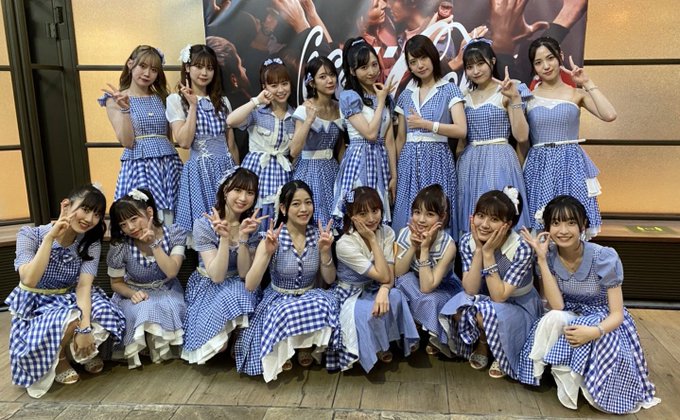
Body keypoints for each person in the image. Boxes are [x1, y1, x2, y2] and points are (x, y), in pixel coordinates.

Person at [518, 195, 660, 414]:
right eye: (556, 223)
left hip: (605, 321)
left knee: (587, 332)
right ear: (547, 228)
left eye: (570, 223)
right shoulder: (550, 256)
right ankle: (549, 378)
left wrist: (594, 331)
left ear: (583, 225)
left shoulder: (603, 257)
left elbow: (617, 314)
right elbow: (557, 306)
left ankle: (592, 388)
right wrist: (542, 260)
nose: (563, 230)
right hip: (572, 313)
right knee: (552, 318)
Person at [5, 185, 125, 398]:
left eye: (96, 214)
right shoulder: (30, 235)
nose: (90, 219)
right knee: (69, 318)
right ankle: (60, 358)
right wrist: (50, 238)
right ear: (66, 206)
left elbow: (84, 286)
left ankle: (78, 352)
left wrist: (85, 329)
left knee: (104, 311)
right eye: (85, 209)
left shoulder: (90, 242)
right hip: (37, 301)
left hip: (70, 294)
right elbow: (29, 279)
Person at [235, 180, 339, 381]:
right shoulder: (272, 237)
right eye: (296, 204)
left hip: (309, 294)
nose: (304, 209)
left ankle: (304, 344)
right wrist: (266, 252)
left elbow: (329, 278)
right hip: (279, 297)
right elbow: (250, 284)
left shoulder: (318, 235)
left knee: (326, 302)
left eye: (308, 203)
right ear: (283, 208)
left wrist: (326, 252)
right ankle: (287, 349)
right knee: (284, 311)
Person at [440, 188, 541, 379]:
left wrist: (488, 254)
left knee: (484, 313)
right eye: (480, 216)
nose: (484, 224)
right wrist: (479, 250)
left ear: (508, 224)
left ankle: (504, 353)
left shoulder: (521, 248)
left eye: (494, 219)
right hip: (485, 298)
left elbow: (499, 296)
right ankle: (484, 343)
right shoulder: (468, 241)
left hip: (517, 304)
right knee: (459, 307)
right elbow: (470, 289)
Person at [523, 37, 616, 238]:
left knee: (572, 221)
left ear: (560, 57)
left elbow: (609, 115)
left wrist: (587, 82)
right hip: (539, 166)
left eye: (550, 58)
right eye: (538, 62)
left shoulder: (576, 94)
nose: (546, 66)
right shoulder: (527, 97)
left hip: (571, 163)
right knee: (541, 225)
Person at [326, 187, 419, 373]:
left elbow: (388, 276)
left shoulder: (387, 232)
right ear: (351, 215)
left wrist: (384, 290)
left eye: (375, 211)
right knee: (366, 311)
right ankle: (373, 348)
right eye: (362, 213)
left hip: (375, 287)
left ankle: (386, 342)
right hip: (350, 293)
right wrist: (373, 241)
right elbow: (383, 276)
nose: (371, 218)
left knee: (396, 296)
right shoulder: (345, 243)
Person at [181, 167, 264, 364]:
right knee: (219, 347)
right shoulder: (204, 224)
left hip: (239, 283)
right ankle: (228, 335)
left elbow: (244, 274)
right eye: (238, 190)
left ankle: (237, 335)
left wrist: (243, 237)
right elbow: (217, 276)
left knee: (239, 290)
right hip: (208, 285)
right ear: (225, 191)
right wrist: (224, 239)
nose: (243, 198)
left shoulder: (252, 225)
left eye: (250, 193)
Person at [393, 34, 466, 240]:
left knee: (436, 212)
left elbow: (461, 130)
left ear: (433, 56)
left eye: (423, 58)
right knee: (409, 213)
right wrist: (397, 172)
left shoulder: (449, 89)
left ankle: (441, 258)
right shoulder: (406, 94)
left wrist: (427, 125)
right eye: (413, 62)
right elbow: (400, 138)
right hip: (409, 162)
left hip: (438, 158)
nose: (420, 65)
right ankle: (406, 256)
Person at [99, 45, 182, 223]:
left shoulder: (164, 98)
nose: (147, 73)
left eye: (154, 70)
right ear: (130, 64)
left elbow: (169, 137)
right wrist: (125, 110)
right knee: (141, 214)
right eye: (142, 66)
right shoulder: (115, 100)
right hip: (138, 165)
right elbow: (127, 141)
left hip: (168, 164)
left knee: (171, 215)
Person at [456, 38, 531, 235]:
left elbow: (522, 136)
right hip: (470, 163)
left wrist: (514, 98)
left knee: (500, 213)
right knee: (474, 217)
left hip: (500, 160)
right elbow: (462, 141)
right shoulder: (463, 96)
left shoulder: (507, 90)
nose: (475, 71)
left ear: (493, 61)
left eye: (480, 63)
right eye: (469, 66)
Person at [107, 188, 187, 368]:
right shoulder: (121, 245)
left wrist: (154, 244)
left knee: (171, 306)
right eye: (123, 224)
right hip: (134, 291)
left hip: (167, 289)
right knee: (144, 307)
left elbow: (172, 271)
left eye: (134, 219)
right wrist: (132, 293)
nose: (130, 228)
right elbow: (116, 283)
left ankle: (160, 347)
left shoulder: (174, 234)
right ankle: (143, 345)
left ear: (149, 212)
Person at [166, 44, 239, 237]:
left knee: (228, 222)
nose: (204, 73)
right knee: (204, 225)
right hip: (200, 171)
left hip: (226, 169)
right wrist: (193, 106)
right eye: (199, 66)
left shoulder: (222, 101)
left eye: (210, 68)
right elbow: (184, 142)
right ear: (187, 67)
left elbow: (231, 144)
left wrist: (237, 174)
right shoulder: (176, 100)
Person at [332, 37, 397, 225]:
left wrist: (394, 175)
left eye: (374, 65)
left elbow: (389, 140)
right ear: (352, 71)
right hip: (359, 160)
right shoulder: (349, 97)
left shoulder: (385, 96)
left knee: (378, 217)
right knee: (358, 214)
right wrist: (381, 101)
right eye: (364, 67)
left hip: (381, 162)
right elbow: (370, 134)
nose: (371, 71)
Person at [394, 184, 461, 356]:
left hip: (441, 287)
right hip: (415, 282)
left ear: (442, 217)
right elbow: (398, 272)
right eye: (417, 212)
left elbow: (427, 287)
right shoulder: (405, 233)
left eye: (430, 214)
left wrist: (424, 250)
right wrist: (412, 246)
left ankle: (434, 334)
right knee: (402, 282)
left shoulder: (448, 245)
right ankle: (414, 329)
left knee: (432, 299)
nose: (421, 220)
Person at [227, 58, 295, 225]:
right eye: (274, 85)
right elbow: (230, 121)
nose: (281, 90)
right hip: (256, 170)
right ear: (264, 87)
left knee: (279, 215)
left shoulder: (295, 115)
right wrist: (256, 101)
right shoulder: (257, 112)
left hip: (282, 173)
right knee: (252, 214)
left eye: (284, 83)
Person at [290, 56, 344, 227]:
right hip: (309, 170)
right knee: (314, 220)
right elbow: (294, 150)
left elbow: (340, 147)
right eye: (323, 77)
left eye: (332, 75)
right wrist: (309, 120)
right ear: (312, 83)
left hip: (333, 170)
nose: (330, 80)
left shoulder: (340, 107)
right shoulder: (305, 109)